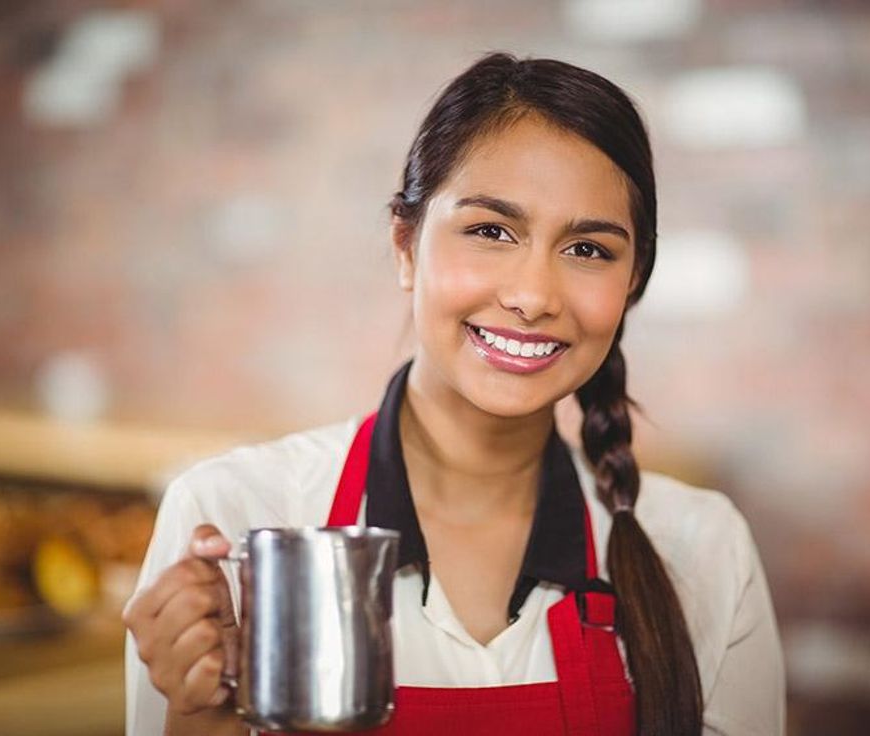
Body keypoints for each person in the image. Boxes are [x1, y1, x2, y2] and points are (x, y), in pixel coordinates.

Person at [123, 51, 786, 736]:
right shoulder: (237, 522)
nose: (532, 296)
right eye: (490, 231)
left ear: (633, 282)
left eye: (588, 249)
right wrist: (198, 718)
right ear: (406, 246)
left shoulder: (704, 550)